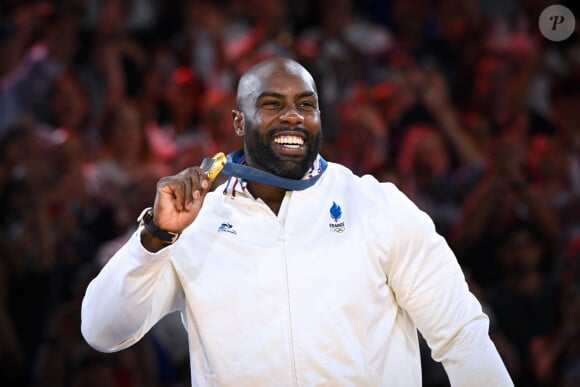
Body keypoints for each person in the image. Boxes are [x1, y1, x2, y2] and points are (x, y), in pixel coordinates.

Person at [81, 56, 513, 386]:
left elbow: (461, 335)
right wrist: (156, 237)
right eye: (272, 105)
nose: (293, 116)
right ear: (238, 121)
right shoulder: (195, 224)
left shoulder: (376, 205)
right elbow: (102, 330)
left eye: (306, 105)